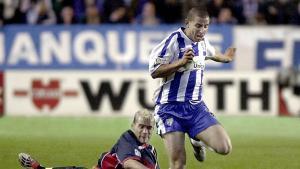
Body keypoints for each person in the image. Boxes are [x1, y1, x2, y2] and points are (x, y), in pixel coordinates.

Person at [148, 6, 235, 169]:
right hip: (169, 108)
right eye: (198, 25)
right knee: (178, 163)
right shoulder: (173, 41)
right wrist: (180, 63)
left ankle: (196, 139)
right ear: (187, 23)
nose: (202, 30)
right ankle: (193, 137)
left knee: (224, 148)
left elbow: (212, 53)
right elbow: (154, 71)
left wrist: (226, 58)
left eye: (206, 26)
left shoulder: (202, 42)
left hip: (196, 107)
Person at [18, 109, 160, 169]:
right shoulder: (127, 139)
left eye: (149, 128)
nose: (145, 131)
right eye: (141, 126)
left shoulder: (152, 151)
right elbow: (129, 163)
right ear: (133, 126)